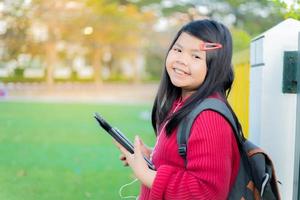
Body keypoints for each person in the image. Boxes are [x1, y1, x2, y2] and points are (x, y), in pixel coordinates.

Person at [115, 19, 242, 200]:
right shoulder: (182, 103)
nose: (181, 60)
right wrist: (151, 155)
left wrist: (148, 175)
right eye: (178, 49)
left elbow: (207, 192)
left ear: (215, 66)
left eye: (196, 56)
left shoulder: (209, 117)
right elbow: (183, 160)